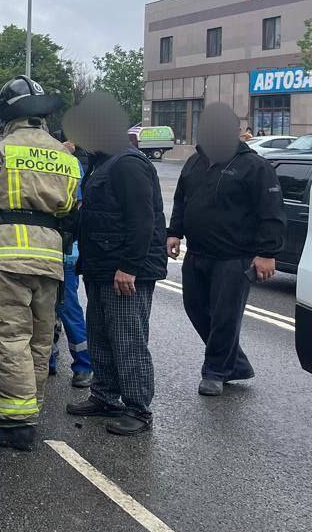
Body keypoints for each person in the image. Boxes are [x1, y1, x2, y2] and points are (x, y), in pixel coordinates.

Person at [0, 77, 81, 451]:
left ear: (7, 114)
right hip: (50, 261)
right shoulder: (64, 155)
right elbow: (71, 210)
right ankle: (28, 412)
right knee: (40, 342)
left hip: (5, 257)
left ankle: (16, 423)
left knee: (9, 339)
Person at [64, 92, 167, 435]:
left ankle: (138, 409)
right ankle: (105, 396)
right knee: (101, 336)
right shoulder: (103, 162)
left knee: (127, 340)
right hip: (99, 266)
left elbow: (143, 220)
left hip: (123, 270)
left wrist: (130, 266)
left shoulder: (128, 163)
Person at [168, 103, 284, 395]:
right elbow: (182, 199)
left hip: (235, 257)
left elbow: (271, 212)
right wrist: (174, 233)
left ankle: (216, 371)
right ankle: (238, 364)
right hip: (197, 253)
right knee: (195, 308)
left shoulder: (255, 166)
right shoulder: (195, 162)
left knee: (224, 316)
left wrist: (267, 253)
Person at [49, 139, 93, 389]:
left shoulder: (70, 164)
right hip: (49, 250)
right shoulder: (67, 162)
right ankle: (50, 360)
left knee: (67, 309)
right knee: (46, 310)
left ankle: (84, 365)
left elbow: (77, 208)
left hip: (64, 252)